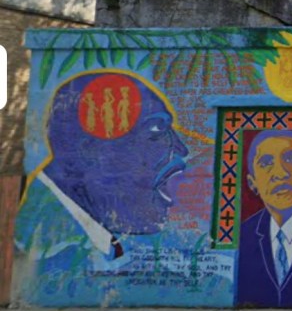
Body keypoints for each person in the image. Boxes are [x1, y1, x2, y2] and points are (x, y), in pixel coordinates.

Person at [16, 72, 190, 269]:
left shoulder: (87, 242)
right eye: (156, 129)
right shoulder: (47, 249)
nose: (181, 148)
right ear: (91, 151)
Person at [237, 130, 292, 308]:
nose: (280, 172)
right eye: (266, 162)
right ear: (252, 182)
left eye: (291, 159)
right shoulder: (244, 234)